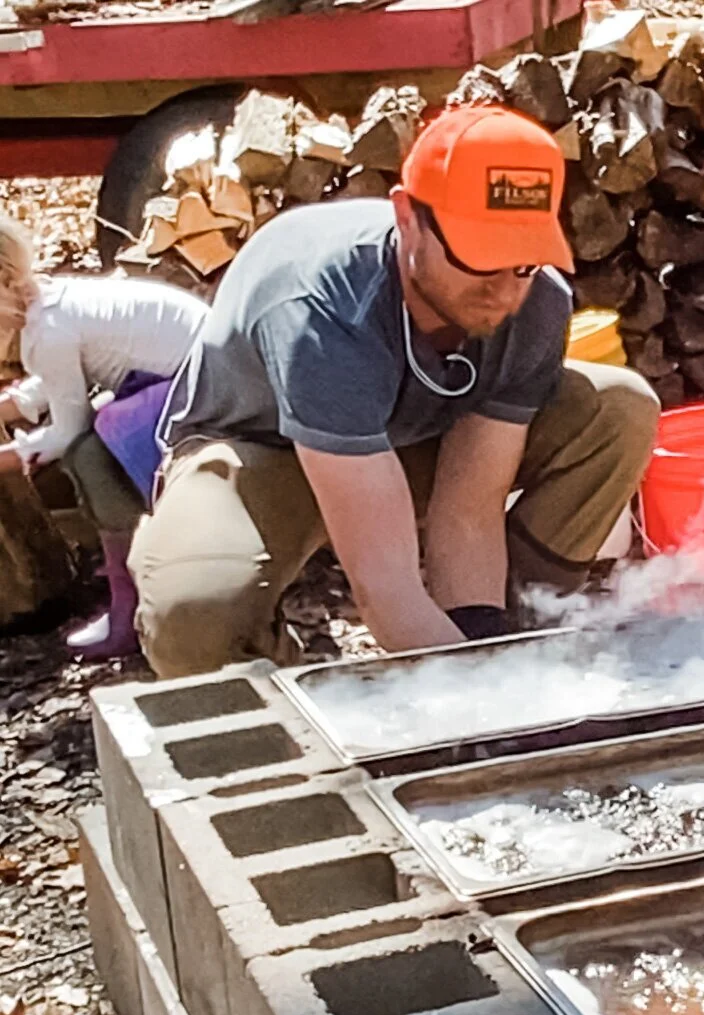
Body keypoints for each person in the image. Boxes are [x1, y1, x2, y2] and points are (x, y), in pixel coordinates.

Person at [133, 104, 661, 680]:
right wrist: (473, 700)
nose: (504, 292)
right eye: (480, 258)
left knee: (618, 407)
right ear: (408, 218)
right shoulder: (320, 308)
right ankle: (294, 714)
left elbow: (469, 510)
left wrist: (489, 664)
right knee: (193, 614)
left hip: (407, 436)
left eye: (524, 261)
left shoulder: (537, 301)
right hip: (260, 455)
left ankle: (520, 636)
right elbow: (384, 586)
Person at [0, 213, 209, 657]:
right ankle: (123, 571)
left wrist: (15, 454)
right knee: (97, 433)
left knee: (90, 456)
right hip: (184, 374)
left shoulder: (48, 331)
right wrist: (13, 407)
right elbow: (58, 379)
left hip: (204, 388)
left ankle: (129, 604)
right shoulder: (49, 304)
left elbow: (67, 429)